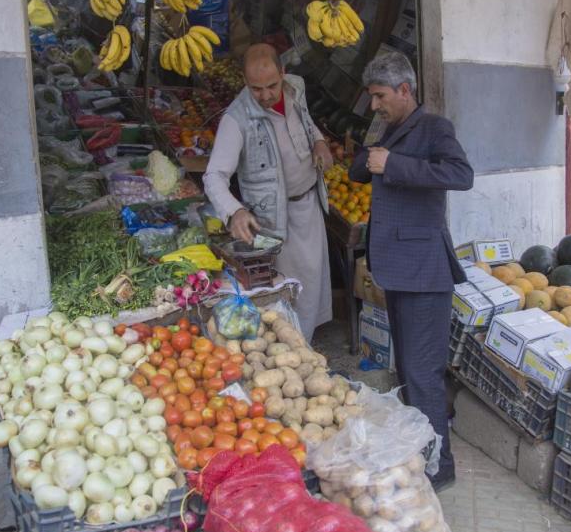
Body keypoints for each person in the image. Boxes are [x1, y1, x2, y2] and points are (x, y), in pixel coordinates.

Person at [348, 51, 474, 491]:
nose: (375, 104)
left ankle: (439, 467)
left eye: (380, 96)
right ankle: (419, 449)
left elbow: (461, 174)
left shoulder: (434, 128)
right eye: (372, 97)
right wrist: (373, 150)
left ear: (405, 90)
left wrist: (394, 164)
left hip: (423, 271)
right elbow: (357, 172)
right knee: (407, 370)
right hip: (397, 270)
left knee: (423, 375)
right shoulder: (390, 127)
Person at [203, 44, 333, 341]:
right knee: (284, 293)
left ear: (283, 73)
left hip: (309, 207)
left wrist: (320, 142)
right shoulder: (236, 119)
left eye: (272, 85)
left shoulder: (295, 89)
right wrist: (234, 210)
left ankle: (307, 346)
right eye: (256, 88)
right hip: (273, 221)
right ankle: (292, 350)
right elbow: (214, 175)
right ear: (245, 82)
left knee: (311, 284)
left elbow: (307, 123)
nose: (265, 95)